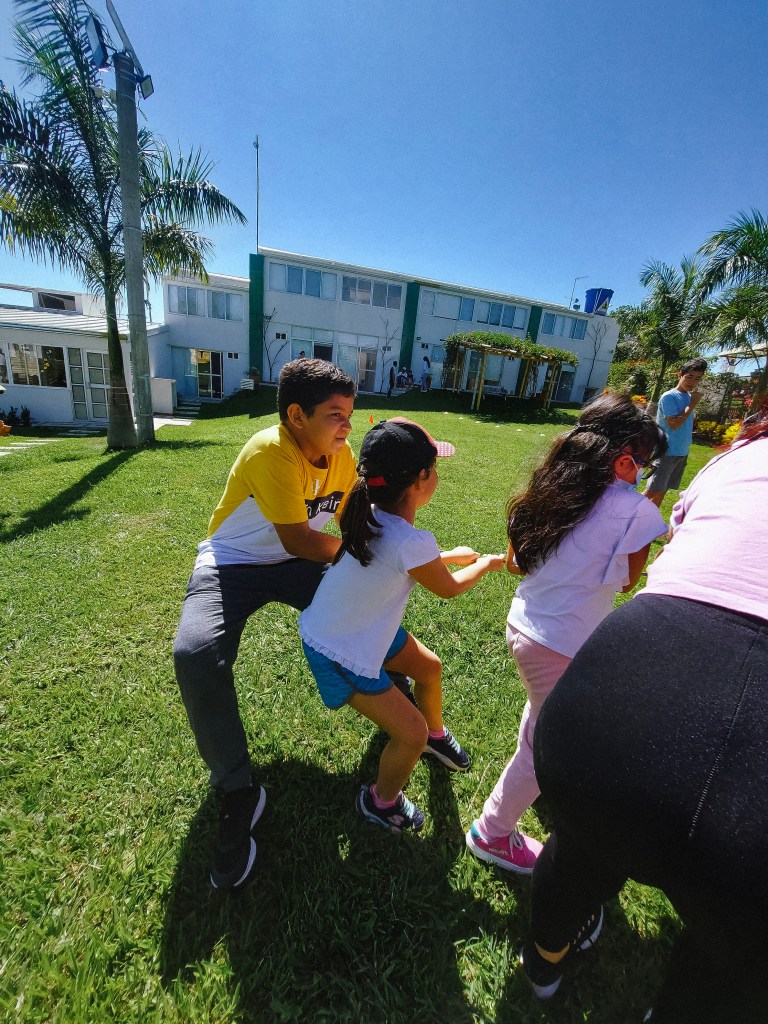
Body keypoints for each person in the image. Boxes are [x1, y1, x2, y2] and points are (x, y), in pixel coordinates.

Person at [519, 402, 768, 1021]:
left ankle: (543, 963)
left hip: (625, 675)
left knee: (580, 847)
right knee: (736, 941)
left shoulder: (738, 457)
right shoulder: (636, 505)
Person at [174, 357, 360, 891]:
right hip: (231, 565)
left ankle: (404, 702)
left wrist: (376, 557)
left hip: (296, 563)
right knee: (195, 655)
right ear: (296, 416)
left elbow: (347, 521)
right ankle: (238, 790)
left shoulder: (341, 455)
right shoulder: (270, 450)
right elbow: (300, 539)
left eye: (350, 415)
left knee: (364, 605)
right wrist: (364, 557)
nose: (346, 427)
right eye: (335, 415)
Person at [466, 394, 668, 873]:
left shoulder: (547, 490)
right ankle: (492, 833)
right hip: (563, 643)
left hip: (525, 625)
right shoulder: (636, 512)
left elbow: (516, 563)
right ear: (624, 459)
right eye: (643, 462)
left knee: (542, 721)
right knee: (549, 743)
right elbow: (627, 581)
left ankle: (527, 780)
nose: (643, 473)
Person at [298, 418, 505, 832]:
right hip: (340, 648)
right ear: (420, 479)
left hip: (358, 626)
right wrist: (484, 564)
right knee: (408, 735)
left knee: (429, 668)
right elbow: (447, 588)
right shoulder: (408, 539)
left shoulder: (367, 513)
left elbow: (401, 559)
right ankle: (381, 801)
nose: (437, 476)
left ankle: (435, 735)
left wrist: (448, 555)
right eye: (435, 468)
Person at [643, 357, 707, 507]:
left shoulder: (688, 397)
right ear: (680, 375)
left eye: (697, 378)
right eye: (689, 376)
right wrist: (692, 404)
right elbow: (674, 424)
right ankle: (624, 517)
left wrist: (691, 402)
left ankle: (649, 519)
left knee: (662, 491)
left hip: (681, 452)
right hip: (667, 451)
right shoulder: (670, 396)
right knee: (652, 490)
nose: (692, 382)